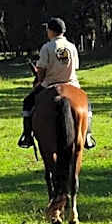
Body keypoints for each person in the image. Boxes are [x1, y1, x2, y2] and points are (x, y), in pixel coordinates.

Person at [18, 17, 96, 149]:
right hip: (72, 83)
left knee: (27, 102)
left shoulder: (47, 47)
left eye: (48, 29)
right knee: (87, 105)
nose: (47, 32)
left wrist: (40, 80)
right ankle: (87, 135)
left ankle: (27, 135)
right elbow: (75, 67)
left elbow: (41, 71)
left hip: (50, 83)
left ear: (52, 31)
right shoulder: (72, 47)